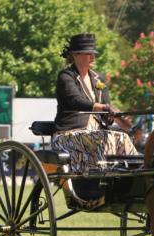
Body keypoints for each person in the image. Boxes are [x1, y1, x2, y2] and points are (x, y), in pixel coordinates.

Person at [52, 33, 138, 208]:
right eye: (88, 53)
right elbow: (75, 101)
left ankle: (133, 184)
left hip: (95, 133)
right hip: (68, 135)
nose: (93, 56)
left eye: (93, 53)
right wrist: (105, 108)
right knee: (101, 138)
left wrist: (118, 119)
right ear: (75, 55)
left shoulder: (98, 80)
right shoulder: (66, 77)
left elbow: (106, 111)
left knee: (122, 138)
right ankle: (94, 191)